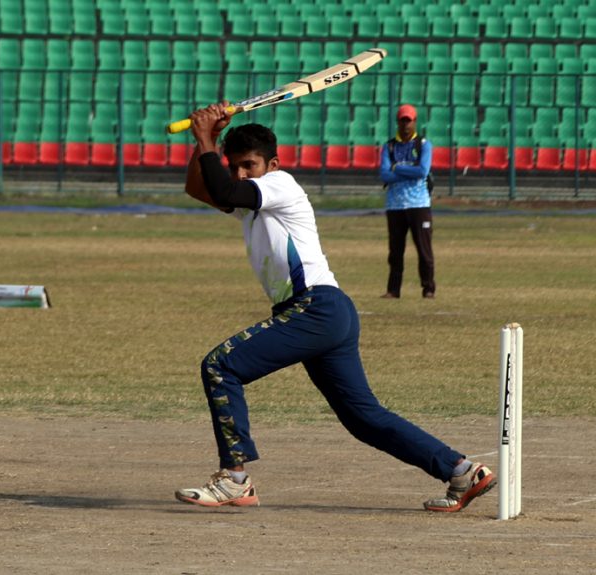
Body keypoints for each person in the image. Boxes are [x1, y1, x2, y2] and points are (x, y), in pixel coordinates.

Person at [175, 102, 495, 512]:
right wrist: (206, 140)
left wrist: (206, 138)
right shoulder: (249, 195)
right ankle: (462, 471)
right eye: (233, 165)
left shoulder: (280, 184)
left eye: (248, 165)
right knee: (363, 417)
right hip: (325, 313)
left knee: (221, 365)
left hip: (316, 309)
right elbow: (200, 188)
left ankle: (235, 479)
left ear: (272, 163)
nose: (239, 173)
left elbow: (222, 188)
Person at [379, 104, 436, 299]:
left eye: (409, 120)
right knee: (395, 251)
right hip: (395, 205)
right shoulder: (389, 146)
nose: (406, 125)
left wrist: (397, 168)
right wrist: (405, 171)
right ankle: (393, 290)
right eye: (403, 120)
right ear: (398, 121)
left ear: (415, 121)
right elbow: (385, 175)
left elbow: (423, 171)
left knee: (424, 250)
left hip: (419, 204)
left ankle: (428, 288)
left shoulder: (423, 145)